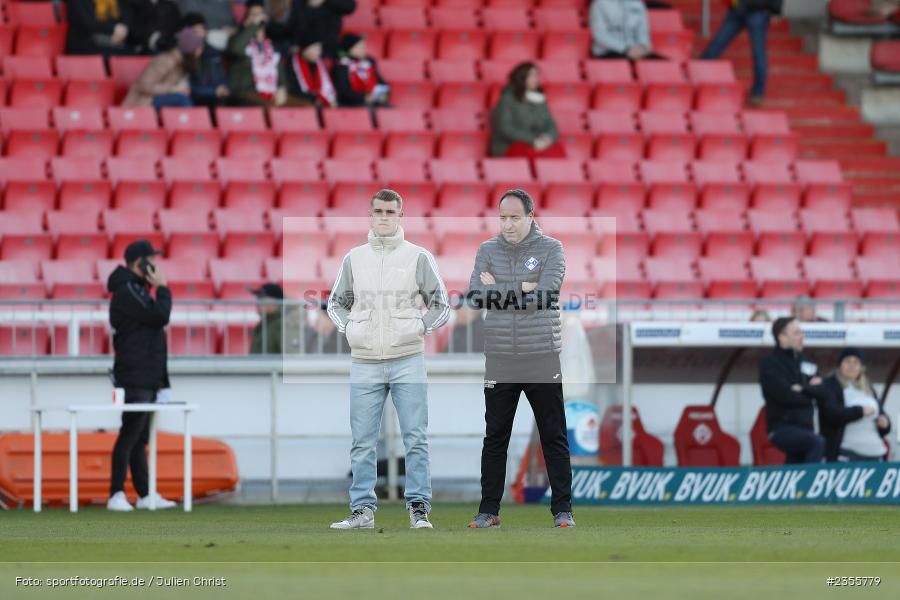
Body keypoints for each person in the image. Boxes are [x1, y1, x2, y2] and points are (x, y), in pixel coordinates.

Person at [327, 189, 450, 530]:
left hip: (408, 357)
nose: (384, 217)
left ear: (400, 216)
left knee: (416, 437)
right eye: (378, 211)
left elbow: (441, 304)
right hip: (364, 359)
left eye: (390, 212)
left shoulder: (418, 257)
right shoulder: (354, 258)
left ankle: (418, 509)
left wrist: (417, 329)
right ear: (371, 214)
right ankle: (362, 511)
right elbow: (335, 304)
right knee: (362, 441)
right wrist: (351, 329)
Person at [465, 188, 574, 529]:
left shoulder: (552, 249)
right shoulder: (487, 250)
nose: (508, 225)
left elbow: (544, 296)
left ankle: (562, 511)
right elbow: (474, 296)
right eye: (503, 218)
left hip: (541, 355)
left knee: (553, 435)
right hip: (499, 357)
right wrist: (521, 287)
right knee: (495, 435)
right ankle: (488, 510)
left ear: (530, 216)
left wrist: (498, 286)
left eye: (514, 217)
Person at [105, 240, 177, 511]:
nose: (155, 266)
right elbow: (160, 316)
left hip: (146, 375)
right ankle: (115, 494)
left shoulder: (137, 290)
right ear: (139, 262)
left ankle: (144, 493)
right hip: (134, 375)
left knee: (139, 437)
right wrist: (163, 287)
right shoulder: (127, 290)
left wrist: (162, 381)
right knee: (130, 433)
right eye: (151, 260)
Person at [759, 316, 827, 464]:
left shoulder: (807, 362)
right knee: (817, 442)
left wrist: (802, 389)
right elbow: (785, 395)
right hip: (782, 428)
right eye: (796, 333)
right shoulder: (770, 364)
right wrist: (810, 391)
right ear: (782, 338)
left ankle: (794, 487)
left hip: (806, 428)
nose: (802, 337)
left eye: (801, 332)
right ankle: (809, 486)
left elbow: (823, 392)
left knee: (794, 467)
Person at [700, 0, 783, 107]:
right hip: (755, 10)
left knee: (718, 43)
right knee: (758, 52)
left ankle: (696, 73)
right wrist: (776, 11)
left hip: (741, 8)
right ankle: (758, 93)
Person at [819, 347, 891, 462]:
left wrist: (885, 424)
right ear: (839, 365)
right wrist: (860, 411)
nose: (852, 366)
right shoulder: (830, 385)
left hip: (876, 452)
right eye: (848, 361)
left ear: (861, 367)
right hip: (847, 452)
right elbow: (831, 414)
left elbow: (882, 417)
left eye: (856, 362)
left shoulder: (869, 388)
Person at [489, 63, 565, 160]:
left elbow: (551, 124)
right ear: (521, 78)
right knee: (535, 153)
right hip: (510, 146)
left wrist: (548, 138)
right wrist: (532, 140)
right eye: (532, 75)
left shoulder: (539, 99)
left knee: (557, 150)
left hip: (537, 143)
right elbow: (506, 128)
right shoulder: (507, 99)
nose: (536, 78)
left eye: (537, 75)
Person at [226, 0, 292, 107]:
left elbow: (281, 74)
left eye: (260, 14)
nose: (258, 18)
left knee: (306, 108)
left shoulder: (271, 46)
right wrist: (252, 26)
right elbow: (236, 49)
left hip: (271, 94)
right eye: (254, 15)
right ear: (245, 20)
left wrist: (282, 88)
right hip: (245, 94)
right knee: (269, 106)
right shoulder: (236, 40)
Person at [122, 26, 204, 109]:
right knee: (181, 99)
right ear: (189, 49)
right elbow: (144, 86)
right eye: (198, 47)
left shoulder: (184, 63)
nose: (200, 51)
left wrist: (182, 90)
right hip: (143, 101)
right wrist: (172, 89)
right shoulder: (166, 60)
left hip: (160, 99)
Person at [181, 13, 229, 108]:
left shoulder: (213, 52)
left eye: (201, 29)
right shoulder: (183, 54)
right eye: (195, 31)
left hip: (216, 95)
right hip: (197, 97)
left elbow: (222, 76)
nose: (199, 34)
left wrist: (223, 88)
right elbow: (188, 87)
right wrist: (213, 91)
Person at [589, 0, 663, 60]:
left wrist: (644, 46)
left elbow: (642, 32)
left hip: (635, 50)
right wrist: (625, 49)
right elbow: (600, 34)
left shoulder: (637, 3)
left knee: (663, 65)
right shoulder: (600, 4)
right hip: (609, 52)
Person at [331, 33, 389, 108]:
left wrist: (382, 94)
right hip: (352, 104)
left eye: (364, 45)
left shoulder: (369, 62)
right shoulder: (341, 65)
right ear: (350, 49)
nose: (364, 48)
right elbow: (342, 91)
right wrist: (364, 97)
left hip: (372, 101)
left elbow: (380, 81)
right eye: (359, 47)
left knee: (388, 109)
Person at [282, 34, 338, 107]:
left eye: (320, 48)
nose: (318, 52)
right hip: (299, 100)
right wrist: (314, 98)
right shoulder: (291, 63)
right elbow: (291, 88)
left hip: (315, 101)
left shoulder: (319, 64)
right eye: (315, 48)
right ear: (305, 48)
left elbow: (327, 87)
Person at [289, 0, 358, 59]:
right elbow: (295, 15)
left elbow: (350, 6)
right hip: (307, 46)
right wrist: (296, 41)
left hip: (330, 45)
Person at [248, 283, 304, 355]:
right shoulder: (263, 325)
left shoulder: (283, 325)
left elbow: (292, 359)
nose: (258, 301)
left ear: (275, 302)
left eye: (262, 297)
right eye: (258, 297)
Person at [66, 0, 134, 55]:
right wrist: (113, 28)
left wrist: (122, 29)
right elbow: (87, 23)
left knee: (134, 54)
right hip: (85, 43)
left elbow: (124, 13)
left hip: (109, 40)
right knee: (129, 56)